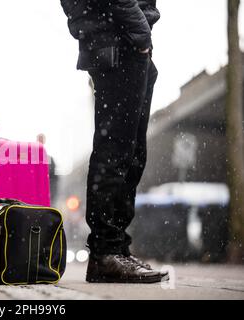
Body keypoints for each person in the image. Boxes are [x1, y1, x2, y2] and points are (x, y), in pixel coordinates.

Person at [60, 0, 168, 283]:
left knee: (131, 153)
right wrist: (140, 32)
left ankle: (115, 248)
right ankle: (106, 253)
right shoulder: (125, 34)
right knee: (116, 151)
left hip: (123, 39)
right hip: (119, 40)